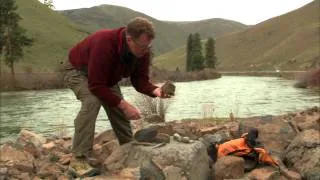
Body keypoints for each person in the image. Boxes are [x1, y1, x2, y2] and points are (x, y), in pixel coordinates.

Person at [63, 17, 172, 177]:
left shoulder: (142, 51)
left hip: (105, 76)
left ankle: (128, 145)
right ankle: (78, 159)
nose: (145, 50)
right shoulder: (104, 43)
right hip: (78, 70)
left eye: (148, 46)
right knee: (93, 101)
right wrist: (124, 104)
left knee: (117, 105)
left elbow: (139, 80)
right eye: (142, 46)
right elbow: (96, 85)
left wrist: (155, 91)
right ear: (129, 39)